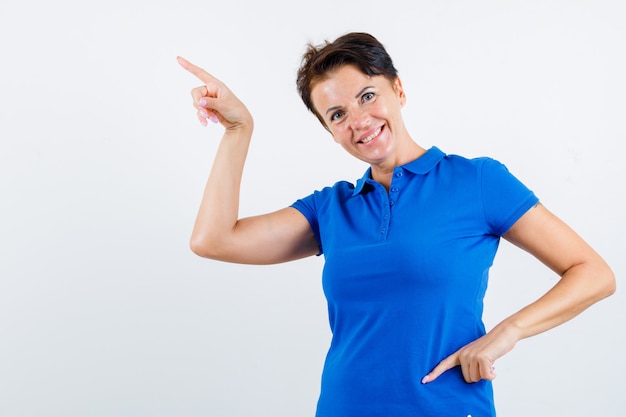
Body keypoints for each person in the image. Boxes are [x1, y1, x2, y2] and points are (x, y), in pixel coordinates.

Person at [177, 32, 615, 417]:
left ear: (399, 89)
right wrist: (239, 130)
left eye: (367, 95)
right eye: (337, 115)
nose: (359, 121)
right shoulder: (330, 209)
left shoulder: (477, 181)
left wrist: (507, 333)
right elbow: (213, 240)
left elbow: (593, 273)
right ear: (330, 132)